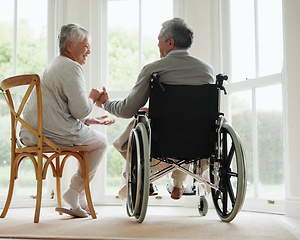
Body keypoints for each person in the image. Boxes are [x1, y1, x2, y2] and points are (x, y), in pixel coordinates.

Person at [91, 18, 214, 200]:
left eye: (159, 40)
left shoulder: (154, 69)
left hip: (163, 139)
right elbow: (192, 110)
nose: (157, 44)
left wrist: (105, 103)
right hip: (200, 141)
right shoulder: (207, 70)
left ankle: (146, 180)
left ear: (170, 42)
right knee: (189, 128)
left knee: (136, 126)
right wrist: (158, 110)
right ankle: (178, 183)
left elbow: (127, 109)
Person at [19, 24, 114, 218]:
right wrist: (94, 99)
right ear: (70, 46)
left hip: (30, 132)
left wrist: (90, 120)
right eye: (86, 45)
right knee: (100, 143)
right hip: (50, 134)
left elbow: (61, 110)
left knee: (93, 139)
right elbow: (79, 111)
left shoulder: (55, 64)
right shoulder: (71, 67)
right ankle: (74, 193)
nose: (90, 51)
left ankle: (78, 198)